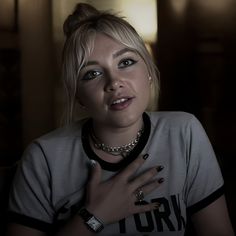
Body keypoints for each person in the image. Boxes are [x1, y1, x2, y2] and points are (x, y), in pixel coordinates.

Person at [6, 3, 234, 236]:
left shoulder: (184, 133)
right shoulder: (43, 159)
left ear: (148, 69)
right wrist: (94, 217)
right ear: (79, 96)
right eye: (92, 74)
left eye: (125, 62)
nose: (114, 82)